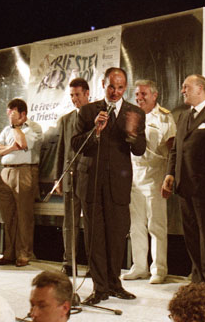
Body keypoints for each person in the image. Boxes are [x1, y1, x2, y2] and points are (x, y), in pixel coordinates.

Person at [71, 67, 146, 305]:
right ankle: (99, 287)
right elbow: (75, 145)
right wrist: (95, 131)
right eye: (111, 87)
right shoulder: (87, 111)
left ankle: (115, 284)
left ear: (126, 87)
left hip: (118, 185)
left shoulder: (135, 112)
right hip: (91, 183)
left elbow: (140, 149)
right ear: (103, 84)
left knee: (116, 237)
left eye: (120, 88)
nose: (115, 92)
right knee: (95, 238)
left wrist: (133, 135)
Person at [162, 74, 205, 291]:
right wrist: (170, 174)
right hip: (184, 186)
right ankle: (197, 279)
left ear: (200, 88)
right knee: (191, 235)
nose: (182, 91)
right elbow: (176, 149)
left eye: (186, 87)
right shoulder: (183, 116)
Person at [123, 79, 176, 284]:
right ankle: (139, 267)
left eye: (143, 94)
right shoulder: (130, 116)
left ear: (154, 95)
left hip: (156, 175)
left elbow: (172, 149)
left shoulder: (165, 117)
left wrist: (168, 177)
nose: (139, 98)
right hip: (134, 175)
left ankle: (159, 269)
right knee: (136, 226)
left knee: (156, 226)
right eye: (137, 94)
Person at [0, 98, 42, 267]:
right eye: (8, 114)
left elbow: (23, 143)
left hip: (24, 171)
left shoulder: (33, 127)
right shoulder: (6, 129)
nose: (9, 117)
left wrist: (15, 127)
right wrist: (11, 148)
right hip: (6, 171)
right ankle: (9, 253)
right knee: (8, 215)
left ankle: (24, 253)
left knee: (24, 215)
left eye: (12, 114)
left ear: (22, 114)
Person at [54, 78, 89, 276]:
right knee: (69, 223)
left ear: (87, 94)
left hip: (89, 178)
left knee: (91, 224)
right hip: (70, 177)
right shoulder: (66, 120)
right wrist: (58, 177)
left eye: (78, 94)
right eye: (72, 95)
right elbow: (61, 150)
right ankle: (69, 262)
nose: (75, 99)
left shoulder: (96, 115)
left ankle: (94, 264)